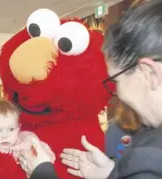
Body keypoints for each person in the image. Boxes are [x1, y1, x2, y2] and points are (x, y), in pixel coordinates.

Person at [18, 0, 162, 178]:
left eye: (116, 80)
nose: (119, 94)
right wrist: (110, 172)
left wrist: (42, 172)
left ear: (149, 73)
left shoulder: (151, 158)